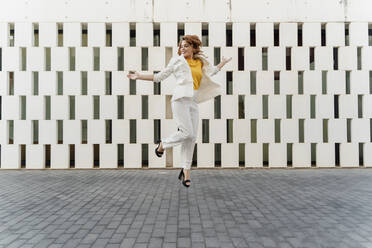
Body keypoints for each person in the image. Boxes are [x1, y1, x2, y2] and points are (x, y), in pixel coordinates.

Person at [127, 35, 231, 187]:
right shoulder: (177, 61)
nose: (182, 48)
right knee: (186, 133)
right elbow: (159, 77)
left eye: (186, 46)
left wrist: (222, 63)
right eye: (181, 46)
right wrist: (139, 76)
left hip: (193, 102)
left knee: (192, 137)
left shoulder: (199, 62)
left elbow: (211, 72)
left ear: (194, 48)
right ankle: (163, 144)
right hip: (180, 100)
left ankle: (186, 173)